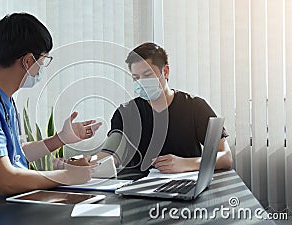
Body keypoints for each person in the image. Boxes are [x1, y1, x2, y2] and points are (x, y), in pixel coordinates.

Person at [0, 13, 101, 224]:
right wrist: (70, 176)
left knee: (97, 213)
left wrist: (60, 139)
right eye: (43, 61)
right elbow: (4, 181)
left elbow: (13, 154)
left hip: (7, 208)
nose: (41, 69)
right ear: (27, 60)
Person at [98, 42, 232, 174]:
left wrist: (186, 163)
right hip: (136, 188)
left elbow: (225, 157)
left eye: (148, 75)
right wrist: (87, 162)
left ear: (165, 71)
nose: (141, 82)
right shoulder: (125, 112)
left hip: (183, 184)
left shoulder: (195, 107)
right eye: (136, 78)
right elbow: (109, 155)